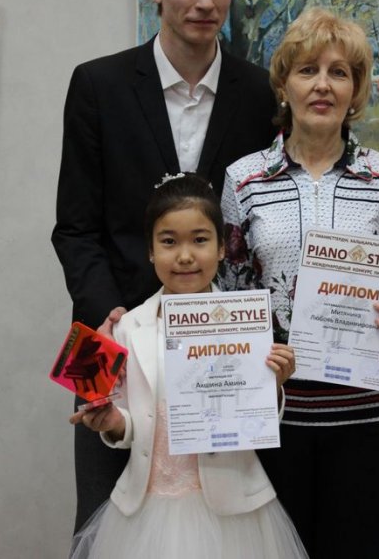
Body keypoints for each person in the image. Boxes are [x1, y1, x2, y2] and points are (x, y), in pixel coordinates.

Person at [51, 0, 379, 532]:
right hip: (113, 339)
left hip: (226, 357)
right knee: (99, 522)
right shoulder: (95, 84)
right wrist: (110, 321)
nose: (205, 1)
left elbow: (312, 158)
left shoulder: (259, 92)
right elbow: (73, 229)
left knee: (227, 525)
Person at [219, 8, 379, 559]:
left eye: (339, 72)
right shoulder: (243, 180)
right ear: (284, 85)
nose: (322, 84)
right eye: (308, 70)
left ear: (355, 90)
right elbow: (230, 293)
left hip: (375, 421)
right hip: (279, 419)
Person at [68, 173, 309, 559]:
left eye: (199, 240)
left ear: (221, 248)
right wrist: (113, 423)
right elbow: (131, 424)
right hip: (144, 510)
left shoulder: (249, 322)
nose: (184, 256)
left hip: (235, 511)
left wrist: (274, 385)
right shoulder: (127, 327)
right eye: (168, 241)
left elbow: (257, 422)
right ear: (150, 250)